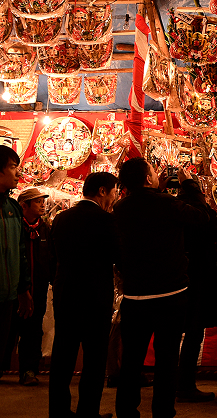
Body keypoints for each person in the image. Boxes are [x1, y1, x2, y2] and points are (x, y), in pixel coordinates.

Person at [112, 158, 207, 418]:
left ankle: (126, 410)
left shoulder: (120, 208)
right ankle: (163, 411)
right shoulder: (167, 203)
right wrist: (189, 185)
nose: (156, 175)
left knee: (132, 358)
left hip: (135, 294)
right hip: (170, 294)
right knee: (167, 358)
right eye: (153, 172)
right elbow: (202, 216)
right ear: (147, 178)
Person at [48, 172, 119, 418]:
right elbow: (116, 257)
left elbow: (53, 257)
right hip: (95, 295)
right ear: (102, 191)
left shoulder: (61, 218)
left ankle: (58, 411)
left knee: (63, 354)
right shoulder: (106, 221)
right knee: (94, 357)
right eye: (113, 192)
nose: (114, 197)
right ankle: (88, 412)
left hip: (65, 292)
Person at [175, 178, 217, 402]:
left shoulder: (172, 210)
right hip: (199, 280)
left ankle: (172, 383)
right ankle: (185, 384)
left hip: (175, 279)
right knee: (194, 333)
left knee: (172, 335)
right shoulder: (203, 213)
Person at [4, 187, 52, 387]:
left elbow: (52, 258)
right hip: (12, 290)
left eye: (43, 201)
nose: (43, 205)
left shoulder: (45, 229)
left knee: (33, 331)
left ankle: (29, 370)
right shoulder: (14, 227)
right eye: (38, 201)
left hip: (38, 289)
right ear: (24, 205)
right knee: (7, 330)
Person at [0, 146, 30, 383]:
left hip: (9, 296)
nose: (18, 172)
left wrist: (23, 289)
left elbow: (21, 252)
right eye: (12, 167)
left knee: (4, 348)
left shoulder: (13, 208)